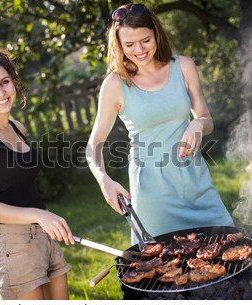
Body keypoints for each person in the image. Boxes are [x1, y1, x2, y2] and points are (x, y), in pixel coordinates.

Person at [86, 3, 234, 245]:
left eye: (145, 40)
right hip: (152, 195)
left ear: (156, 33)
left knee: (225, 247)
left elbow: (206, 121)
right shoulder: (115, 84)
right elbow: (94, 144)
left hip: (195, 182)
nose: (139, 50)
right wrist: (104, 180)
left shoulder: (184, 66)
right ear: (119, 46)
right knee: (167, 270)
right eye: (129, 45)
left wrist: (198, 124)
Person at [0, 45, 74, 300]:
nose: (0, 93)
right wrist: (38, 215)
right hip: (15, 248)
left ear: (14, 82)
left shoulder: (17, 127)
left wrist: (44, 219)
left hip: (45, 238)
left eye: (5, 82)